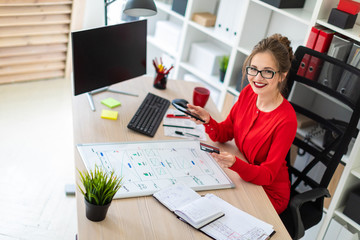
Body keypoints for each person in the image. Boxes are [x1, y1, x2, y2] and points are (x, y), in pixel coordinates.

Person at [188, 34, 297, 214]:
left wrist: (236, 164)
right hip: (244, 178)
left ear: (281, 76)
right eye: (253, 69)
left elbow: (268, 175)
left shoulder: (286, 120)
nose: (257, 78)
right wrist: (208, 121)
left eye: (267, 71)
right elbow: (224, 133)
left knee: (214, 211)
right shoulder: (248, 93)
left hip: (268, 193)